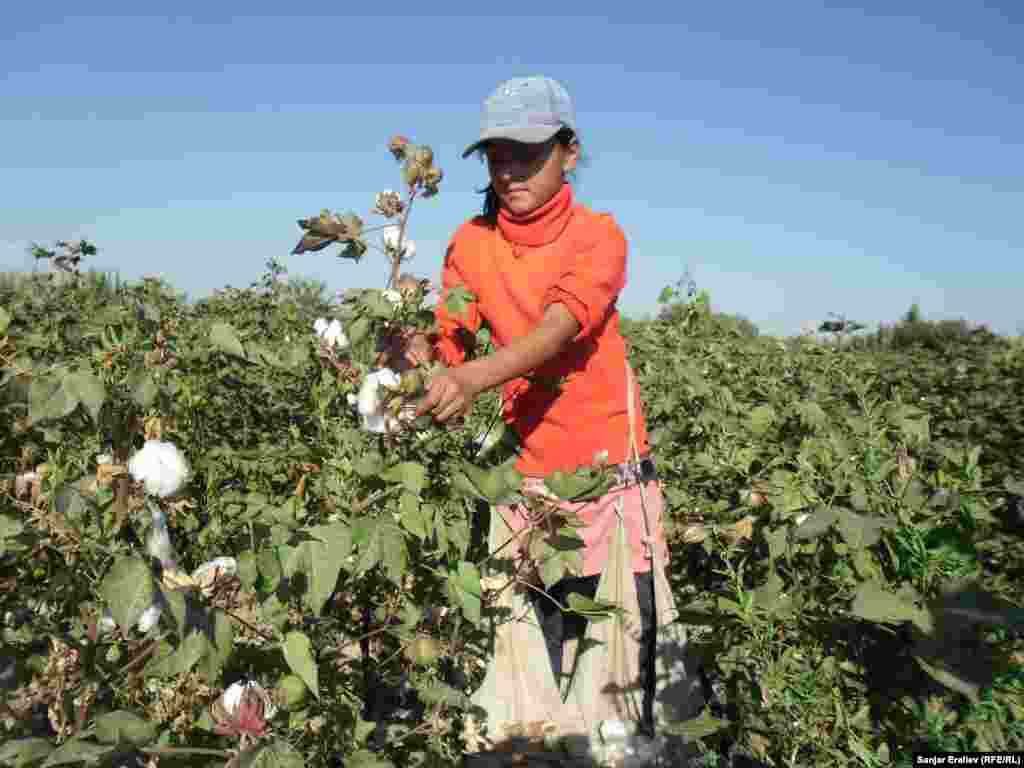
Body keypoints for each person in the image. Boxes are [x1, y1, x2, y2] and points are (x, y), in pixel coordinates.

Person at [404, 75, 673, 737]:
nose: (510, 169)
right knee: (539, 685)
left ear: (569, 153)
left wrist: (472, 381)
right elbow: (449, 333)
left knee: (623, 685)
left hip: (608, 483)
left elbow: (560, 329)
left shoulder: (598, 237)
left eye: (528, 152)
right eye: (498, 154)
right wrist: (410, 353)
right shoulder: (471, 243)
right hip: (527, 489)